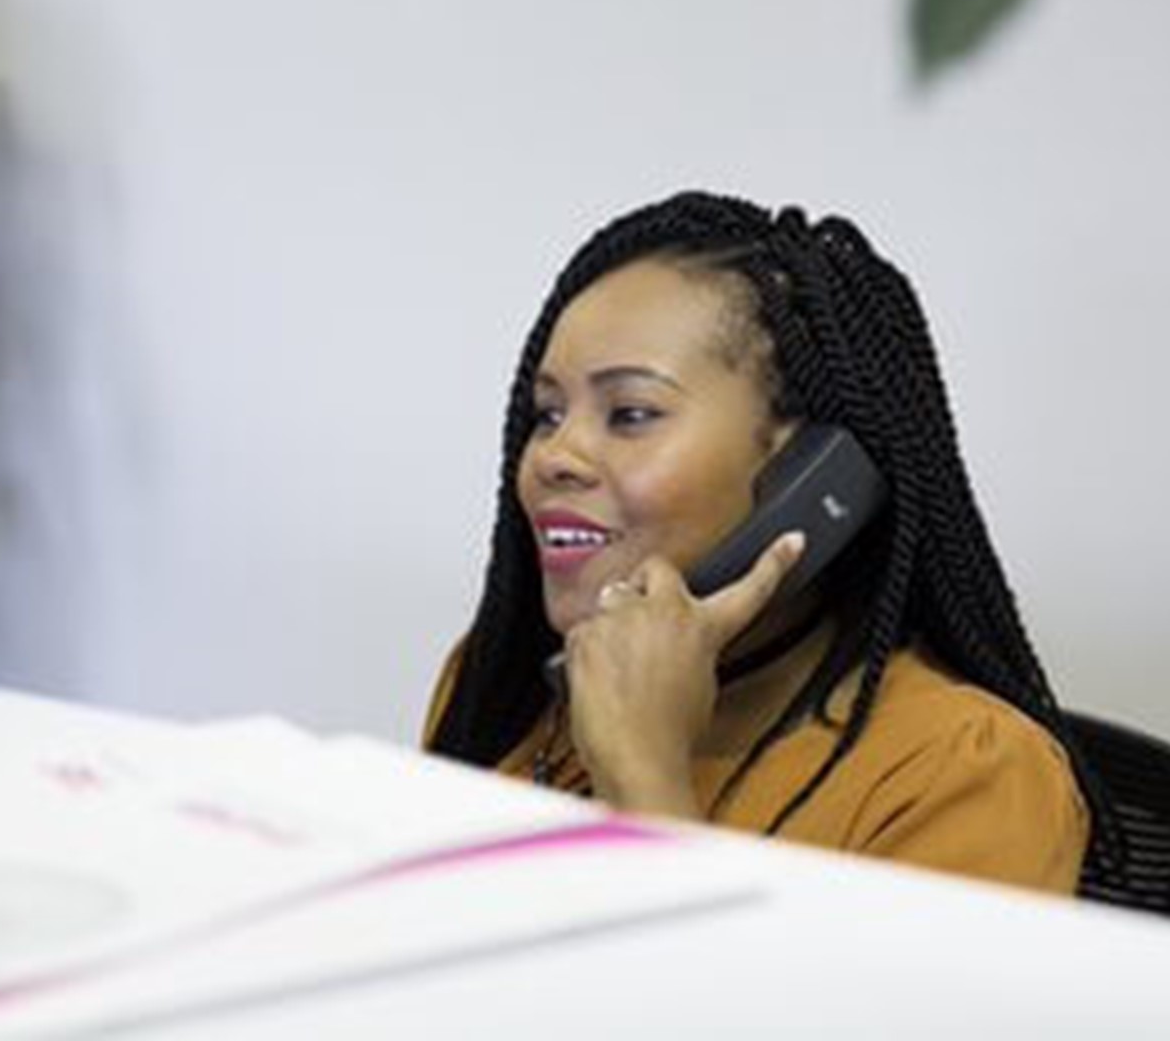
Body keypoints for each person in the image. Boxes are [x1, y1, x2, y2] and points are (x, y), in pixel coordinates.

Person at [424, 190, 1101, 895]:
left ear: (812, 475)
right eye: (548, 414)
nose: (554, 456)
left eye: (629, 413)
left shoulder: (961, 773)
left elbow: (721, 1011)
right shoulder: (499, 691)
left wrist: (643, 770)